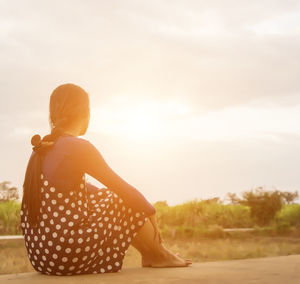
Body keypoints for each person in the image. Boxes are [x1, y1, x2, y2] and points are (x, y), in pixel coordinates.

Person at [21, 83, 192, 276]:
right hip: (65, 255)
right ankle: (159, 254)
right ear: (86, 114)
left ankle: (153, 254)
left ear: (52, 116)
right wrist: (150, 211)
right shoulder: (78, 147)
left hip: (41, 258)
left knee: (105, 196)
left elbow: (76, 190)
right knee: (121, 200)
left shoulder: (42, 150)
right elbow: (122, 189)